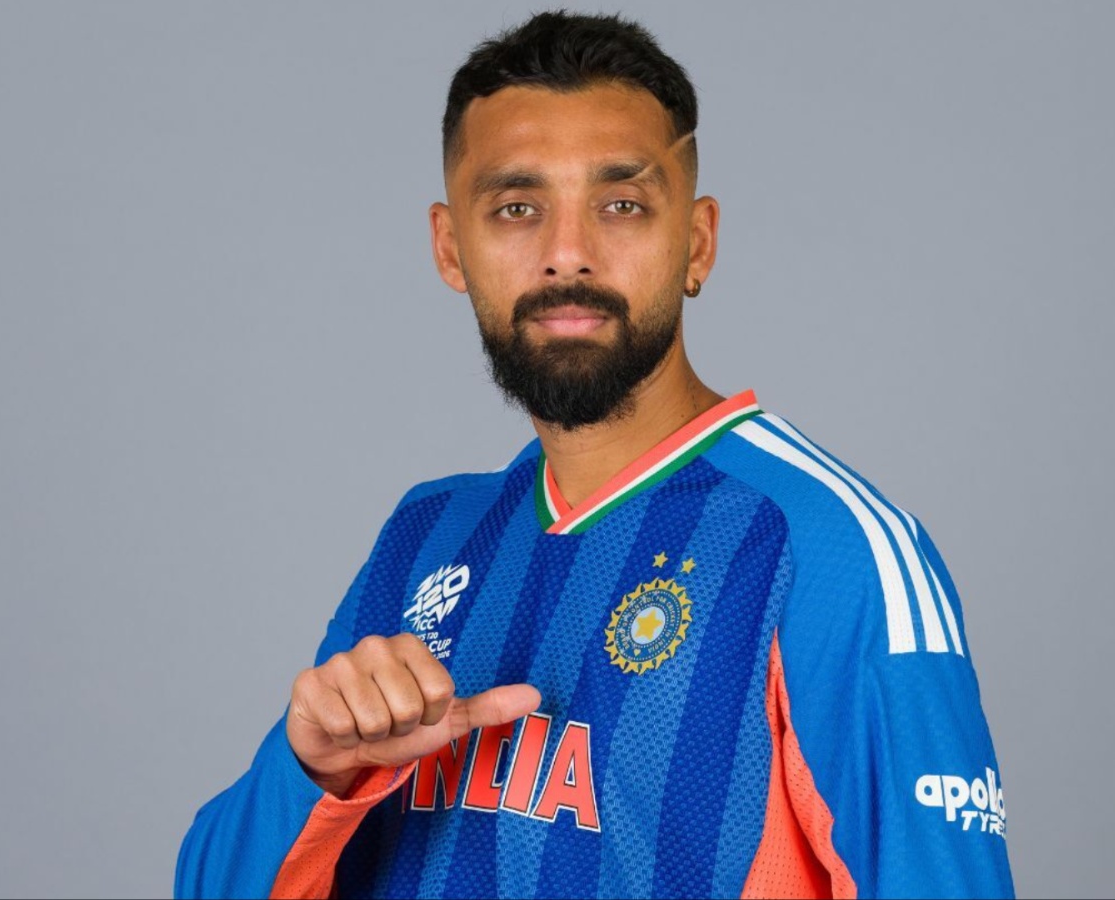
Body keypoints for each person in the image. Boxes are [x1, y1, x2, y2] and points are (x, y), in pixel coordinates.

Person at [175, 11, 1014, 899]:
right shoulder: (428, 536)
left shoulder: (834, 553)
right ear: (450, 248)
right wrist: (315, 776)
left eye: (621, 204)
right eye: (516, 208)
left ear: (696, 243)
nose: (566, 254)